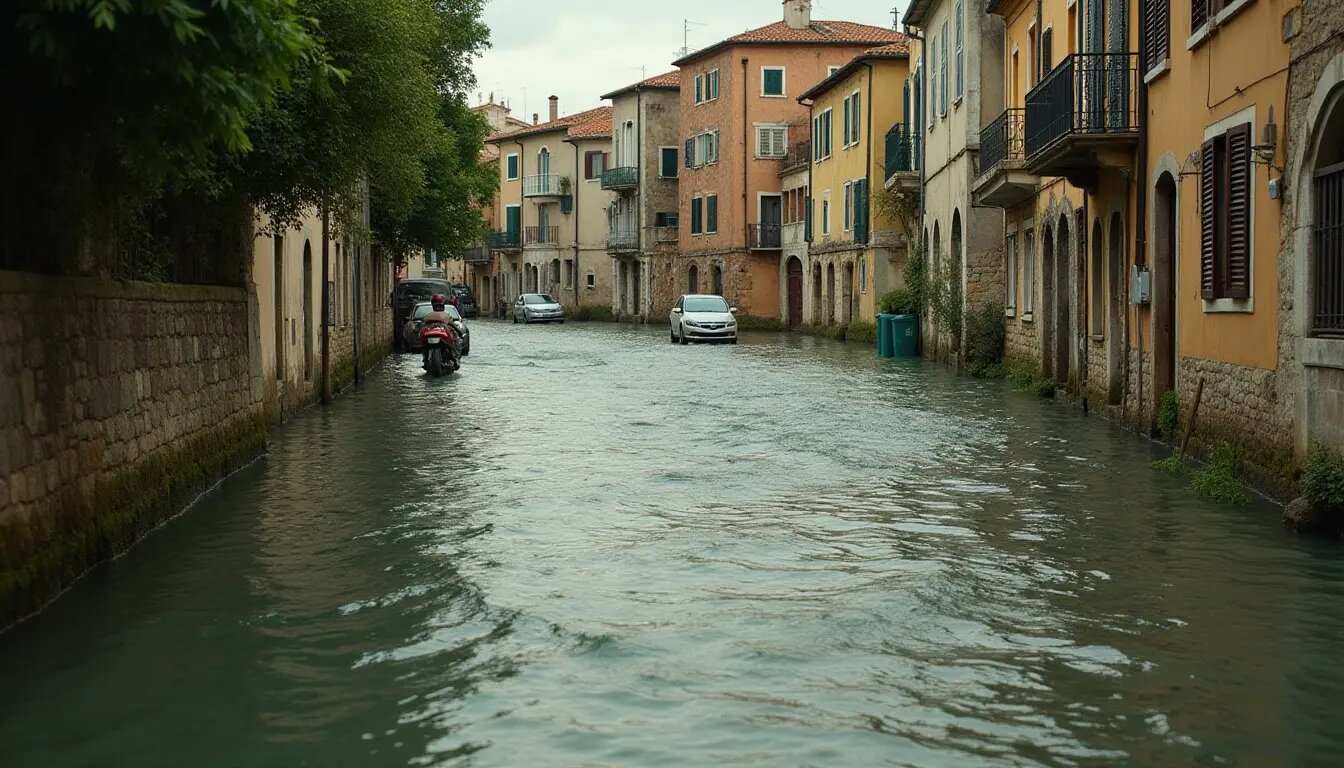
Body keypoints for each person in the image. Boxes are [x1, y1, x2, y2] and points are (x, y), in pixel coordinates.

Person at [420, 294, 457, 366]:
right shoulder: (445, 315)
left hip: (440, 341)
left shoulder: (429, 316)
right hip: (437, 341)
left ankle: (453, 360)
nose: (438, 308)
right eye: (436, 306)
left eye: (439, 306)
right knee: (457, 342)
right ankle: (455, 360)